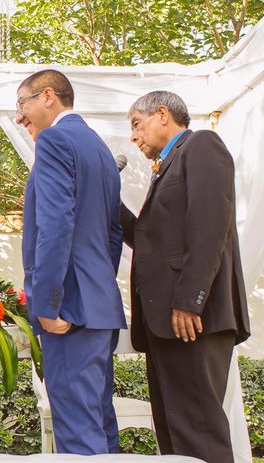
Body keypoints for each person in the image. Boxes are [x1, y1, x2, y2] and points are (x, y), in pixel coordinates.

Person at [121, 91, 250, 463]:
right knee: (174, 433)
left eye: (136, 124)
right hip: (165, 322)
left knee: (199, 434)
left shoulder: (202, 146)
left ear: (162, 114)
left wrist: (188, 301)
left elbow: (210, 228)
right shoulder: (167, 165)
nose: (133, 136)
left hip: (195, 319)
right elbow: (150, 241)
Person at [17, 69, 126, 455]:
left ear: (48, 96)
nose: (19, 116)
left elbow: (55, 226)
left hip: (68, 314)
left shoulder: (53, 140)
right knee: (99, 422)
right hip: (97, 306)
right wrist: (94, 283)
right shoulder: (98, 146)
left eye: (22, 103)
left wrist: (47, 303)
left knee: (78, 434)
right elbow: (114, 233)